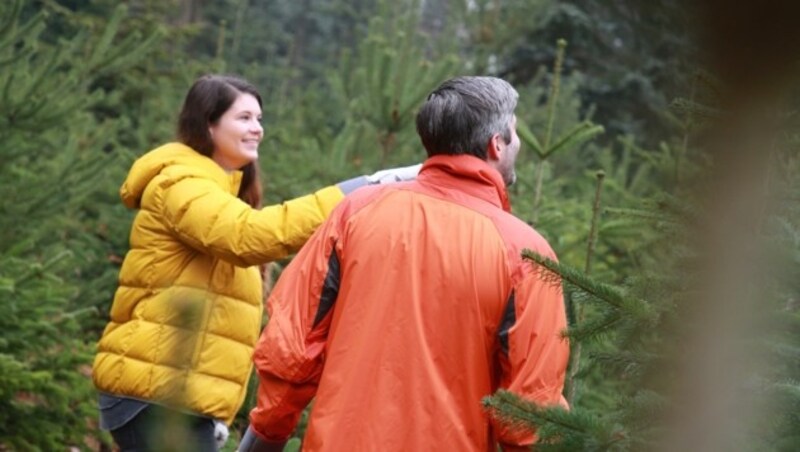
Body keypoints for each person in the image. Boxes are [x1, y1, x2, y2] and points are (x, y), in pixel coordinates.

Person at [91, 74, 420, 451]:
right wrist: (363, 188)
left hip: (177, 393)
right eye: (244, 118)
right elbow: (248, 236)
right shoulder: (180, 184)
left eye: (259, 119)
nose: (257, 129)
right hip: (155, 391)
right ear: (208, 124)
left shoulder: (218, 191)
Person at [240, 76, 570, 452]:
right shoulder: (526, 253)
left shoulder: (356, 211)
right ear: (497, 145)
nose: (520, 143)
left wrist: (267, 435)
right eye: (515, 132)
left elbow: (291, 349)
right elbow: (531, 414)